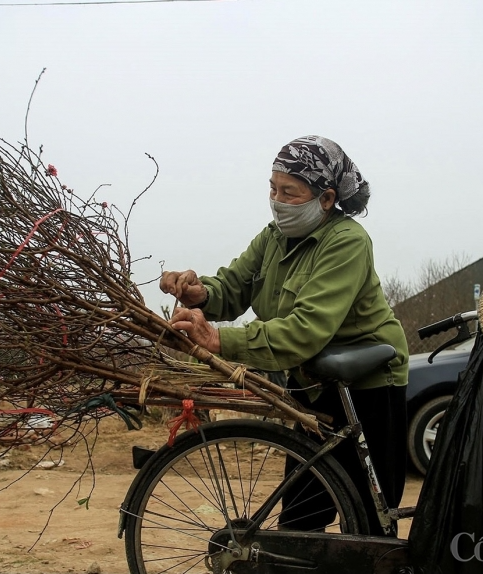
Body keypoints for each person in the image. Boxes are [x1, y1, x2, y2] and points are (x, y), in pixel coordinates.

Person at [160, 135, 409, 536]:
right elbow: (234, 285)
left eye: (289, 192)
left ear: (326, 199)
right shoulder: (274, 237)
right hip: (311, 380)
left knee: (371, 519)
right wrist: (199, 294)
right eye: (272, 189)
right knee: (301, 513)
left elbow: (304, 331)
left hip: (370, 382)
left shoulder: (347, 242)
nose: (276, 200)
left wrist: (219, 341)